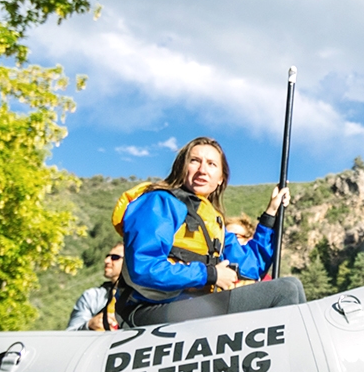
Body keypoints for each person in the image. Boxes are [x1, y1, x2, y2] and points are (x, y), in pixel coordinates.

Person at [113, 136, 304, 327]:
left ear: (221, 179)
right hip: (148, 309)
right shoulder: (159, 203)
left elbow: (250, 267)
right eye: (194, 161)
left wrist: (271, 214)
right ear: (182, 167)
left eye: (212, 164)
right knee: (285, 290)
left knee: (292, 286)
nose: (202, 170)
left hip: (192, 305)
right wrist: (210, 274)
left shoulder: (212, 221)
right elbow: (144, 268)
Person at [66, 243, 123, 331]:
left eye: (115, 257)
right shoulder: (92, 296)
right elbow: (70, 334)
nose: (107, 260)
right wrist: (89, 325)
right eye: (107, 256)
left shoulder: (145, 296)